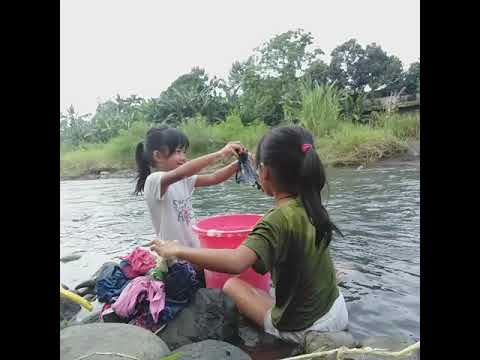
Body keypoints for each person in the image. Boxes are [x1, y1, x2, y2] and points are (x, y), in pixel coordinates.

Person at [149, 126, 349, 344]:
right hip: (337, 309)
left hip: (307, 328)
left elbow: (236, 262)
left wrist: (176, 249)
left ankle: (281, 340)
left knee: (231, 285)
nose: (182, 156)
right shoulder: (312, 203)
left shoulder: (277, 219)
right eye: (176, 151)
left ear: (264, 173)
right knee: (267, 290)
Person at [134, 126, 245, 285]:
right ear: (158, 156)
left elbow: (214, 177)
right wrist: (220, 154)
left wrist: (238, 164)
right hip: (175, 262)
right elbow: (183, 171)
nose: (183, 157)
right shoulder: (154, 181)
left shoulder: (183, 179)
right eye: (178, 151)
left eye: (184, 152)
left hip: (194, 254)